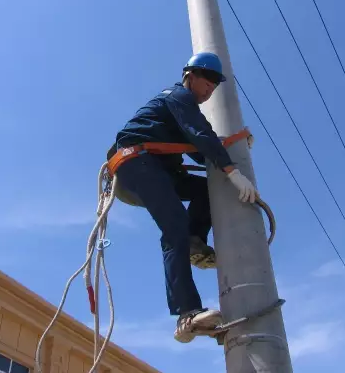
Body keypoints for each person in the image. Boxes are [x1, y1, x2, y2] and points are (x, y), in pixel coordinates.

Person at [109, 52, 258, 343]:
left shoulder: (183, 113)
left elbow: (202, 151)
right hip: (137, 163)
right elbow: (200, 134)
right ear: (190, 75)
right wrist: (232, 171)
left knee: (206, 191)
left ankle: (193, 241)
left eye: (215, 83)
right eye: (208, 79)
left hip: (158, 169)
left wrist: (233, 148)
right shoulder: (177, 97)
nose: (210, 88)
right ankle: (187, 313)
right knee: (174, 226)